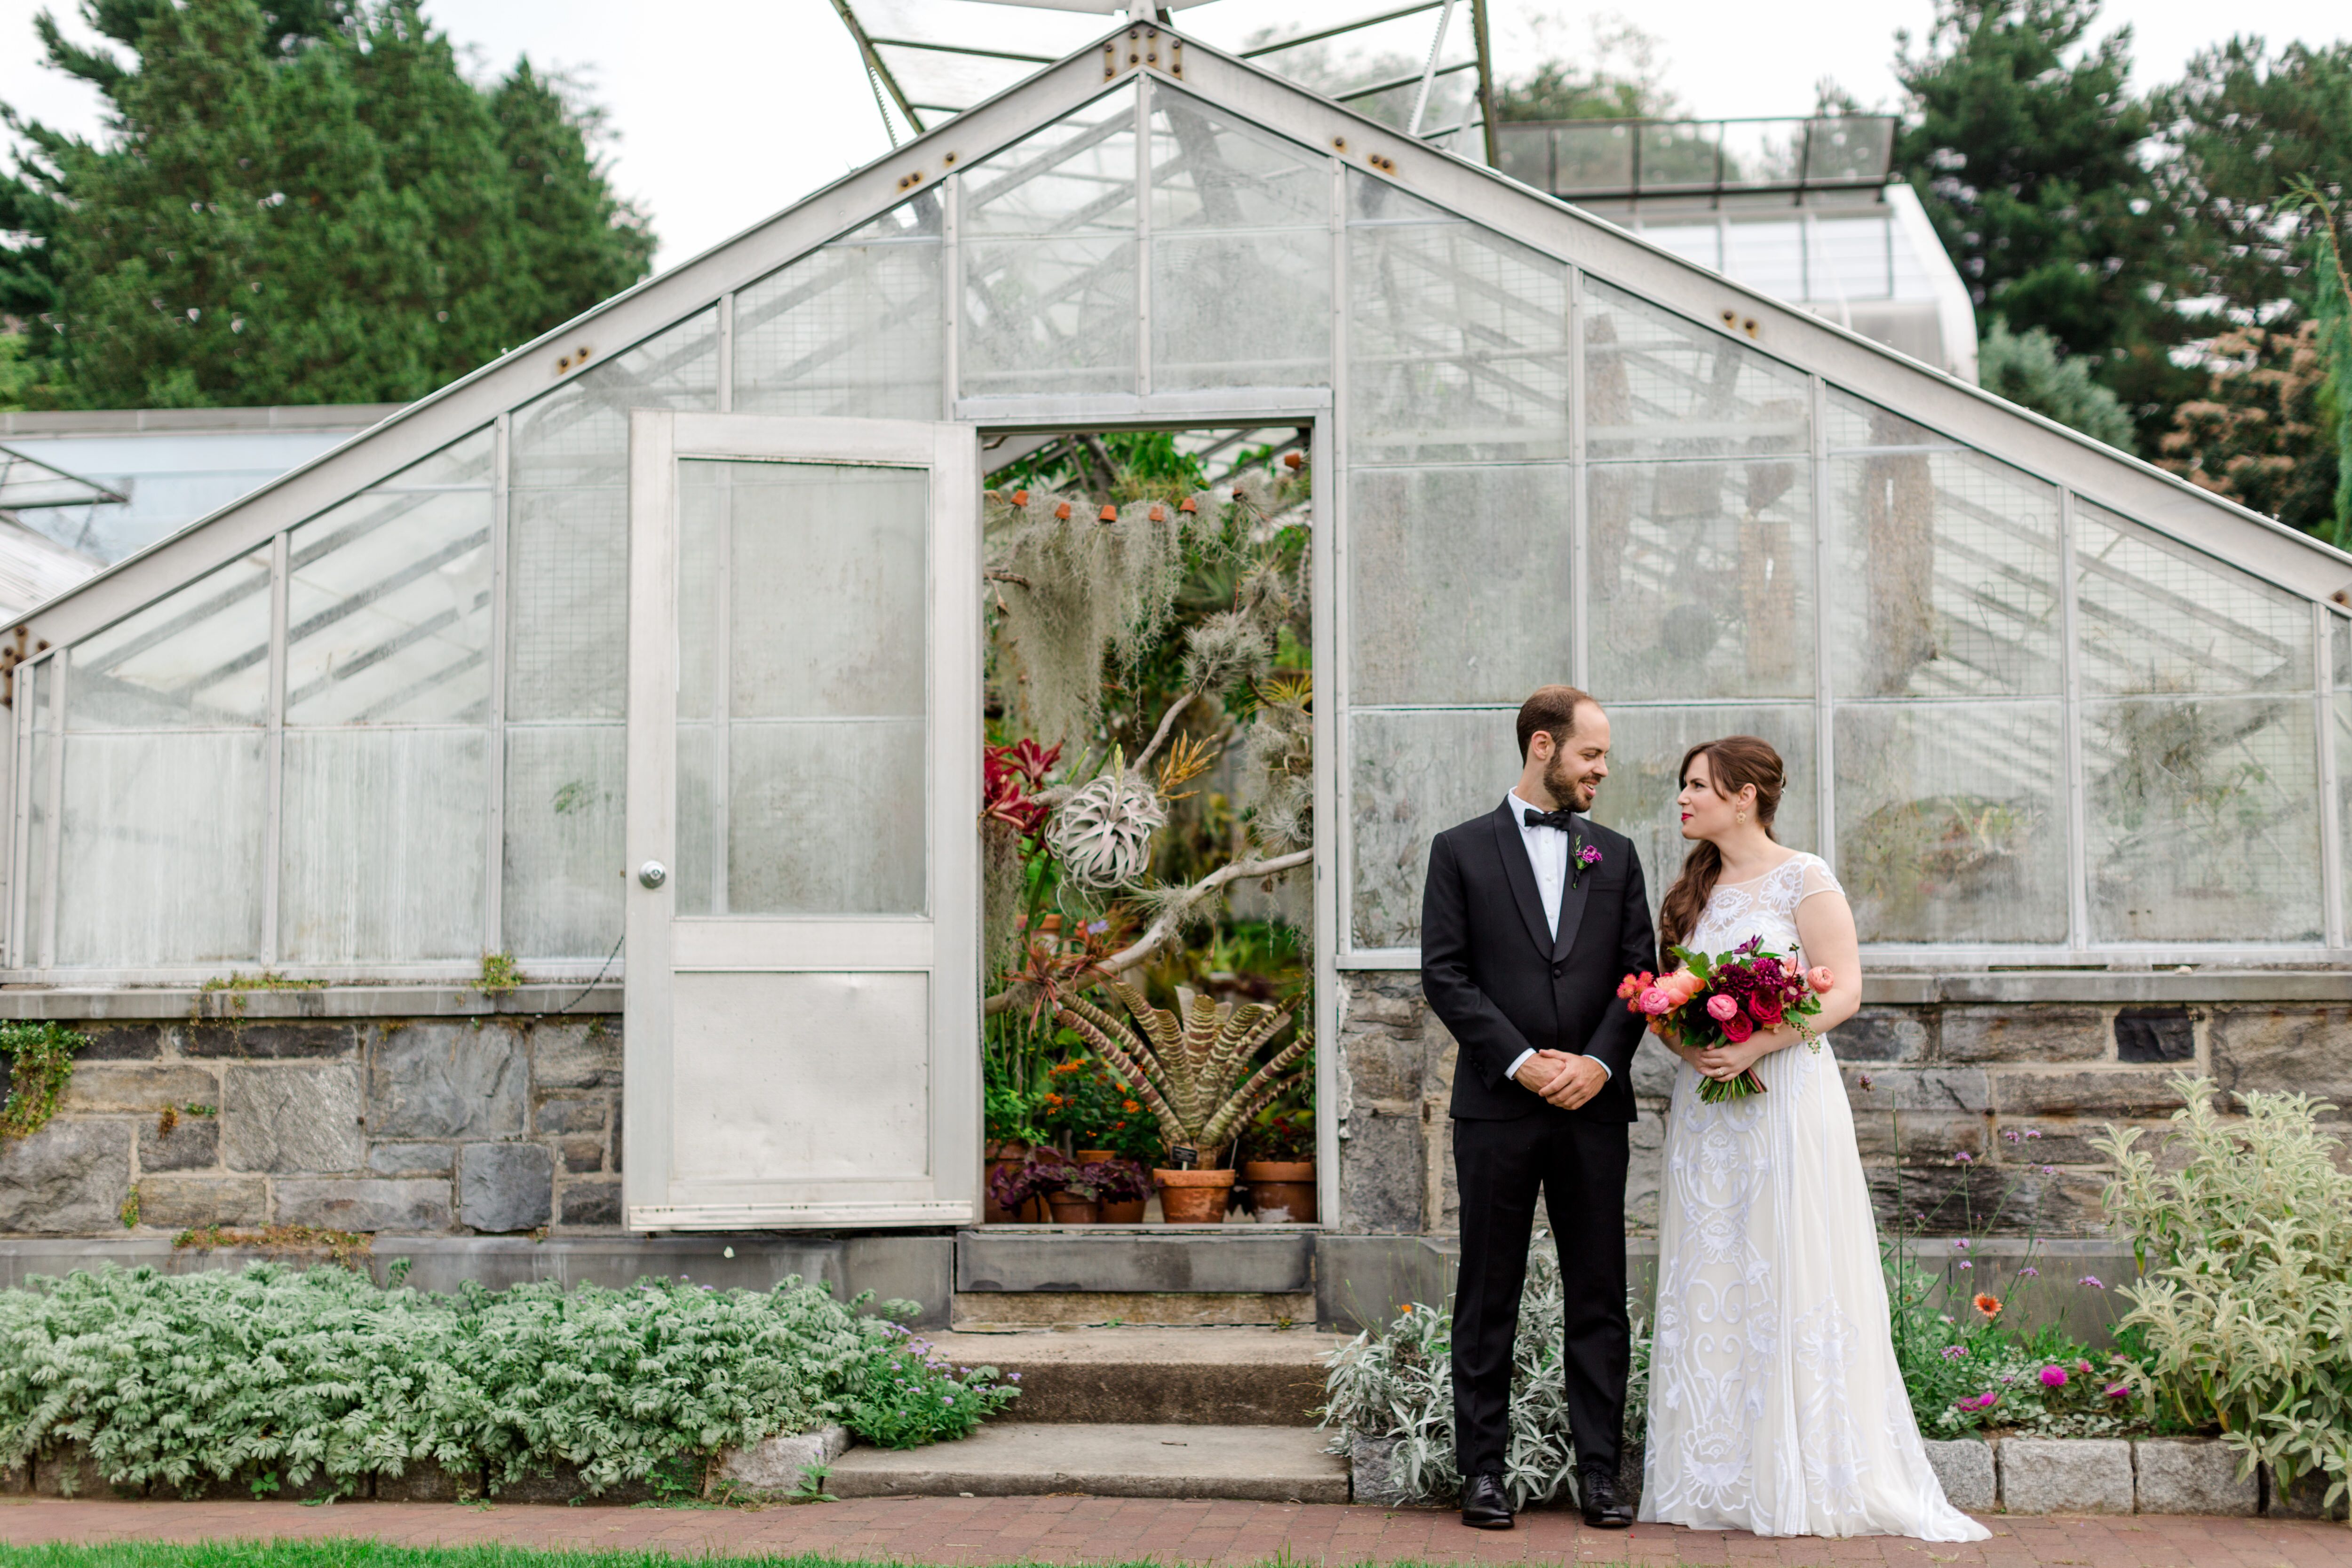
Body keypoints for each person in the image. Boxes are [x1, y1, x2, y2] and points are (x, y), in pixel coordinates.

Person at [1638, 736, 1988, 1541]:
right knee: (1715, 1263)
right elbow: (1666, 1001)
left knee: (1787, 1256)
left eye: (1697, 785)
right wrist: (1694, 1047)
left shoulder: (1805, 876)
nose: (1683, 799)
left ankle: (1803, 1466)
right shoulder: (1692, 892)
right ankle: (1715, 1470)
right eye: (1683, 785)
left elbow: (1847, 988)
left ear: (1746, 795)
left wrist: (1759, 1042)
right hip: (1710, 1104)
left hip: (1786, 1091)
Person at [1418, 685, 1653, 1531]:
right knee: (1488, 1293)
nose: (1602, 771)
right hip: (1497, 1108)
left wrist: (1596, 1062)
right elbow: (1445, 975)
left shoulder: (1618, 856)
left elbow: (1641, 976)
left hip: (1594, 1108)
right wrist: (1522, 1062)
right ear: (1544, 746)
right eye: (1592, 755)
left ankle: (1601, 1475)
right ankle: (1482, 1473)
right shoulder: (1459, 851)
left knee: (1600, 1293)